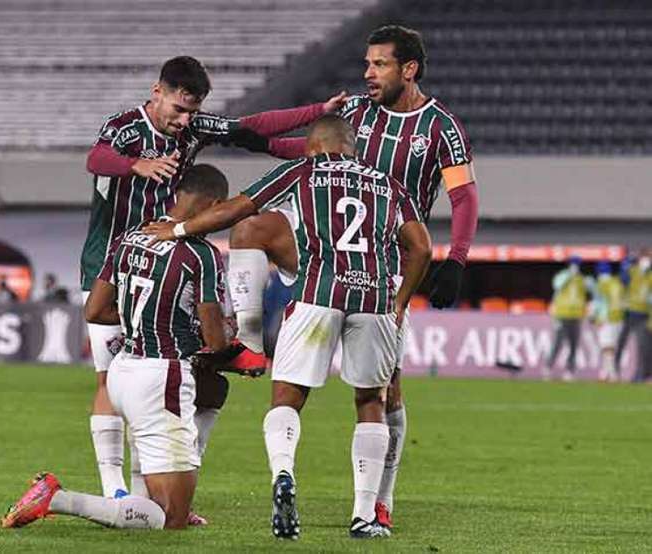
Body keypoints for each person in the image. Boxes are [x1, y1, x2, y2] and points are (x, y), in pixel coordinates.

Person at [213, 24, 478, 528]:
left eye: (379, 64)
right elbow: (302, 149)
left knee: (386, 392)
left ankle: (382, 499)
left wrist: (457, 259)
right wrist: (253, 137)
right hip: (322, 251)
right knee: (250, 228)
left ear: (409, 69)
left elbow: (463, 197)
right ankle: (247, 337)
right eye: (367, 63)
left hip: (385, 265)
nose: (367, 73)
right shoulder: (355, 112)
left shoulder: (441, 128)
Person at [143, 115, 432, 539]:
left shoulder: (303, 170)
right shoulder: (387, 183)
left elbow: (238, 209)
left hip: (318, 294)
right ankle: (365, 515)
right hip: (374, 299)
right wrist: (401, 300)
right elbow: (422, 247)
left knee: (287, 397)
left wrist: (179, 228)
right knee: (371, 401)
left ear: (312, 146)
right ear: (352, 148)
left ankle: (284, 473)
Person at [80, 55, 348, 504]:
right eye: (178, 109)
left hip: (167, 266)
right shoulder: (125, 128)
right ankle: (115, 488)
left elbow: (255, 129)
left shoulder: (194, 129)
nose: (184, 121)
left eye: (192, 112)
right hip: (111, 263)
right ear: (157, 91)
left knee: (172, 378)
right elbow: (96, 158)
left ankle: (149, 495)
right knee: (110, 377)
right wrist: (137, 167)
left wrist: (317, 117)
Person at [2, 164, 251, 531]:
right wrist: (235, 346)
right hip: (161, 375)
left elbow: (96, 310)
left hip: (123, 371)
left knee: (150, 498)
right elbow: (215, 341)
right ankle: (56, 498)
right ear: (215, 205)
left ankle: (113, 498)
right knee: (171, 518)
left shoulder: (129, 238)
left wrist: (149, 318)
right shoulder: (201, 254)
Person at [545, 257, 593, 381]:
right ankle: (548, 367)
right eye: (573, 264)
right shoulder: (562, 276)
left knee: (573, 345)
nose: (575, 267)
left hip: (576, 316)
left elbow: (591, 289)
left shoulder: (581, 279)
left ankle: (569, 371)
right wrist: (568, 275)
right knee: (558, 343)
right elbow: (556, 285)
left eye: (577, 265)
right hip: (562, 315)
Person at [615, 252, 651, 381]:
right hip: (629, 313)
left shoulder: (650, 275)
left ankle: (640, 375)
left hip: (643, 315)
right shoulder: (633, 271)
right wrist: (626, 265)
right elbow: (623, 280)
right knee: (620, 343)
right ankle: (614, 370)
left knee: (644, 347)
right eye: (645, 258)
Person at [589, 261, 624, 381]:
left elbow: (598, 302)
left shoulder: (601, 284)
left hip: (606, 318)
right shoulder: (617, 282)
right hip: (618, 317)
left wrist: (593, 317)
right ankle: (605, 373)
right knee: (611, 347)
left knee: (606, 347)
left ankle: (612, 374)